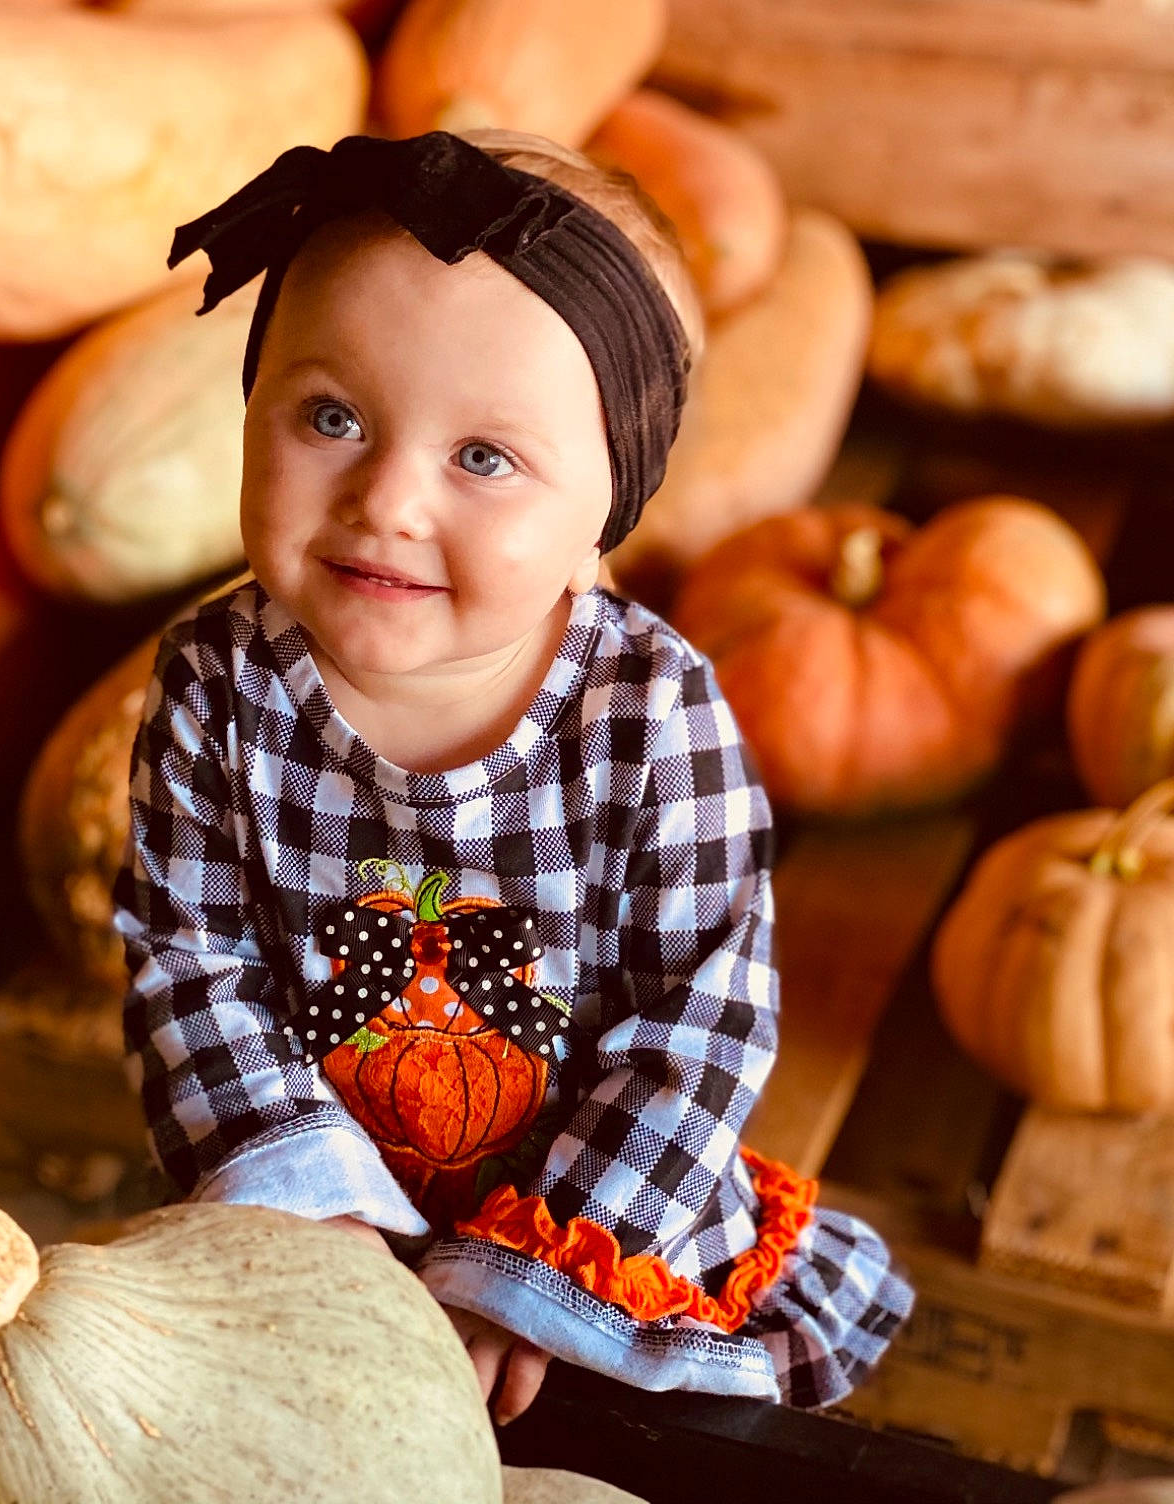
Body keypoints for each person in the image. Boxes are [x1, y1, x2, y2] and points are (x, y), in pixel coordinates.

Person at [113, 127, 912, 1426]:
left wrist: (531, 1266)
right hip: (312, 1198)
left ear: (606, 507)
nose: (386, 500)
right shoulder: (218, 682)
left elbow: (698, 1023)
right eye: (330, 416)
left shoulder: (652, 718)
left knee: (613, 1437)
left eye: (482, 458)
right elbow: (186, 962)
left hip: (595, 1224)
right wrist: (314, 1220)